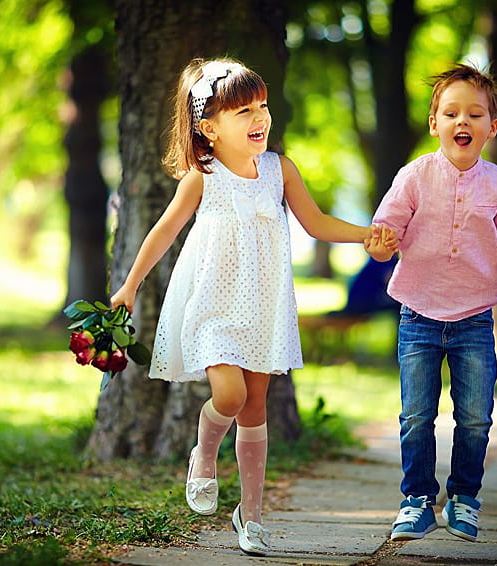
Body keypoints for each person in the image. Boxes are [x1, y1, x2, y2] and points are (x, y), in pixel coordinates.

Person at [110, 57, 375, 556]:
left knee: (255, 408)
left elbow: (316, 223)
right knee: (228, 397)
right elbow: (163, 231)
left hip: (264, 306)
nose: (259, 119)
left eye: (263, 106)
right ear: (208, 128)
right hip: (213, 303)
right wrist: (129, 287)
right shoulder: (203, 177)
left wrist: (368, 235)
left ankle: (250, 516)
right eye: (243, 111)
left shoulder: (280, 170)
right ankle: (204, 452)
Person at [365, 63, 497, 543]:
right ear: (434, 122)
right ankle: (416, 500)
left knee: (475, 415)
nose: (463, 122)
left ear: (491, 128)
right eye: (451, 113)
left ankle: (464, 498)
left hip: (475, 319)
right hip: (417, 313)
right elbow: (381, 238)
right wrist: (381, 245)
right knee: (416, 414)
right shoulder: (414, 176)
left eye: (475, 115)